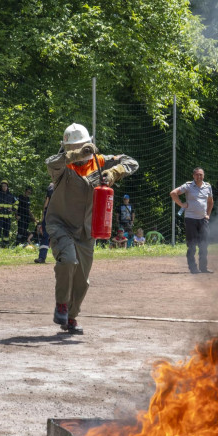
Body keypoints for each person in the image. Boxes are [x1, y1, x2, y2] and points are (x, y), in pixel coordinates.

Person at [45, 123, 138, 333]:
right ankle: (61, 304)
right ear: (67, 148)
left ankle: (70, 317)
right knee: (68, 260)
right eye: (74, 147)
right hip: (60, 225)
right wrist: (76, 155)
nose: (80, 150)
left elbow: (131, 162)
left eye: (83, 145)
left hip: (87, 230)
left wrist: (115, 172)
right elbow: (50, 163)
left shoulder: (100, 162)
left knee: (82, 280)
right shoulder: (62, 167)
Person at [170, 167, 214, 274]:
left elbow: (210, 202)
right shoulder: (188, 186)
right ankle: (193, 268)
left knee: (204, 245)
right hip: (190, 219)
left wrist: (207, 215)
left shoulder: (207, 187)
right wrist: (181, 204)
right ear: (193, 176)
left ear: (203, 176)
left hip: (203, 220)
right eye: (197, 174)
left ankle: (203, 268)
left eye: (201, 175)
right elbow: (173, 193)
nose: (199, 176)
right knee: (192, 245)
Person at [0, 180, 17, 247]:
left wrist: (13, 209)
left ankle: (6, 245)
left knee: (6, 232)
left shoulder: (11, 195)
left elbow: (17, 203)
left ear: (7, 187)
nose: (4, 187)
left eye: (5, 186)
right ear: (1, 187)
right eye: (2, 186)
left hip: (8, 217)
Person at [34, 182, 54, 263]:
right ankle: (63, 257)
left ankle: (42, 257)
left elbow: (46, 203)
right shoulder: (63, 187)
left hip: (49, 212)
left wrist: (44, 212)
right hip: (60, 214)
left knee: (45, 235)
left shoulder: (51, 187)